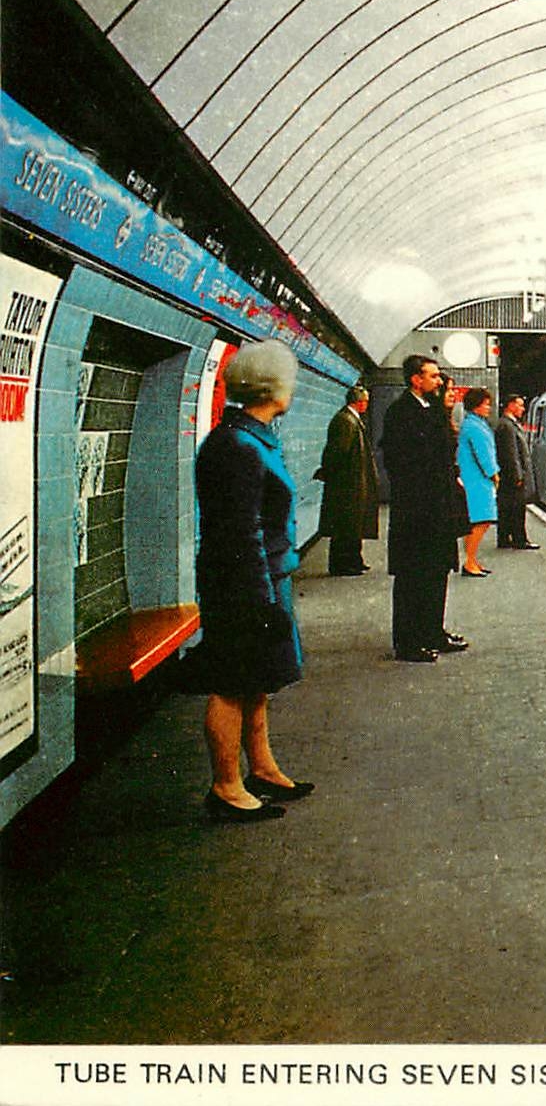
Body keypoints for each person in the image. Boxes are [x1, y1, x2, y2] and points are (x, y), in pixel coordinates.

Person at [193, 340, 311, 822]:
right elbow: (241, 533)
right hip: (242, 583)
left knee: (256, 681)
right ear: (273, 387)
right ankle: (226, 785)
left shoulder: (250, 438)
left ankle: (261, 769)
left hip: (261, 577)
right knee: (232, 683)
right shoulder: (238, 448)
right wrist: (261, 600)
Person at [379, 354, 468, 663]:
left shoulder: (432, 411)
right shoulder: (401, 413)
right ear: (416, 379)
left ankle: (433, 632)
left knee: (436, 573)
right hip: (417, 512)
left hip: (437, 511)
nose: (439, 381)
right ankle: (408, 642)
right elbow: (400, 463)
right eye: (433, 376)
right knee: (412, 577)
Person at [315, 384, 378, 576]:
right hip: (347, 484)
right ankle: (343, 564)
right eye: (365, 401)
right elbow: (337, 453)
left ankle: (354, 560)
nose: (367, 405)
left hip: (353, 482)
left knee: (353, 524)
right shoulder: (346, 421)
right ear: (359, 402)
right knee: (345, 525)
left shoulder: (350, 419)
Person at [456, 387, 499, 577]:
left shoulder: (473, 423)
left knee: (476, 522)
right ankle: (469, 562)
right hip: (477, 480)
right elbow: (484, 454)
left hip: (472, 477)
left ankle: (472, 560)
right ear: (476, 405)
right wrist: (494, 474)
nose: (489, 408)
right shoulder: (475, 426)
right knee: (481, 521)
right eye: (486, 404)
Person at [494, 394, 540, 549]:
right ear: (510, 406)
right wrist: (518, 476)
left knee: (509, 507)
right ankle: (519, 540)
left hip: (511, 475)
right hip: (513, 476)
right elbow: (511, 453)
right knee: (516, 508)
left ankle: (507, 538)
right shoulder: (507, 426)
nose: (523, 409)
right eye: (519, 405)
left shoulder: (507, 424)